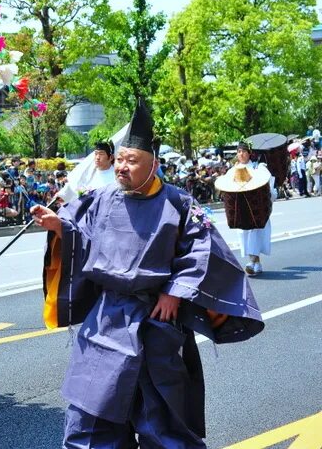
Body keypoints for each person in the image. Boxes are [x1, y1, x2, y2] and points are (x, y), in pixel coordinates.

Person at [32, 101, 263, 448]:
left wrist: (175, 291)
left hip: (156, 321)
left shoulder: (180, 204)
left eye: (131, 161)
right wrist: (58, 226)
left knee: (162, 420)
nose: (122, 167)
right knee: (90, 416)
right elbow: (82, 232)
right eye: (120, 159)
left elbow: (203, 250)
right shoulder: (100, 197)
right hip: (106, 320)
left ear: (153, 164)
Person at [233, 142, 275, 276]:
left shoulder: (258, 167)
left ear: (249, 153)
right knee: (244, 233)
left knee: (255, 231)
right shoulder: (233, 169)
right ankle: (256, 263)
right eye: (239, 151)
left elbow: (267, 184)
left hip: (256, 207)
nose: (241, 154)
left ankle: (251, 261)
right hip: (242, 207)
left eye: (244, 151)